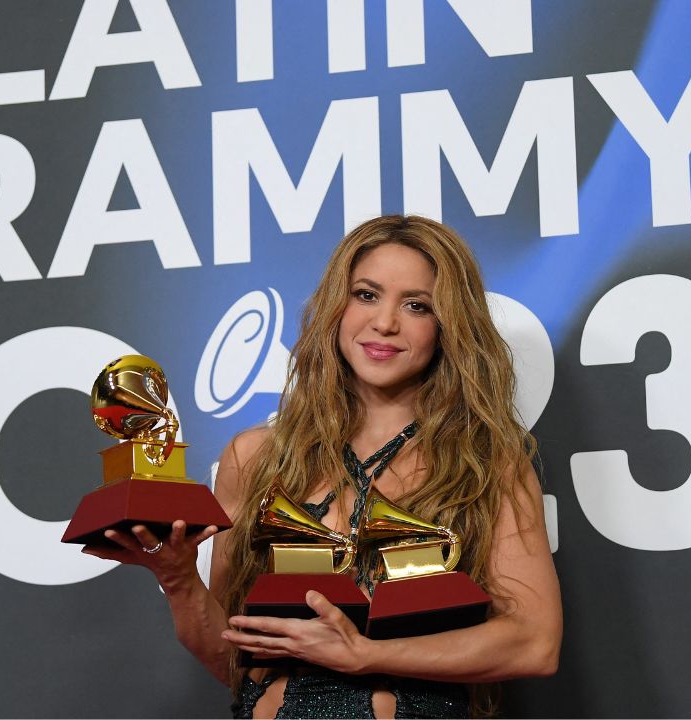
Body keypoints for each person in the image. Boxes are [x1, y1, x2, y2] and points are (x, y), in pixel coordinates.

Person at [82, 215, 562, 718]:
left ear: (447, 326)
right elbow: (233, 661)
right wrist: (179, 580)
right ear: (337, 304)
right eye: (367, 294)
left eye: (416, 305)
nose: (385, 323)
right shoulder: (256, 456)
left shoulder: (488, 461)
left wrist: (367, 654)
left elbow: (534, 643)